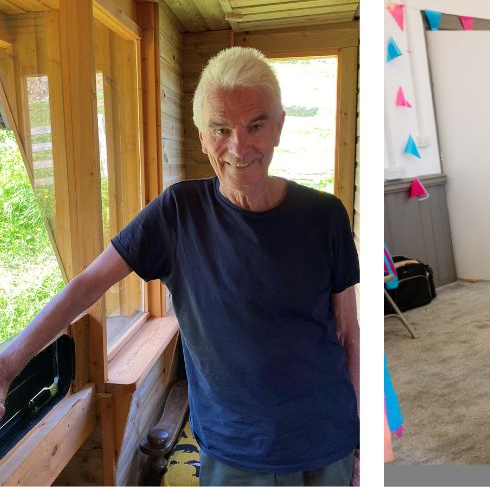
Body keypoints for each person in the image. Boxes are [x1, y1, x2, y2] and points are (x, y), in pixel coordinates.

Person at [0, 47, 361, 482]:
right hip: (234, 452)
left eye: (256, 125)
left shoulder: (324, 215)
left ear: (279, 127)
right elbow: (88, 284)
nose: (239, 146)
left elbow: (348, 333)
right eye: (221, 129)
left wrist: (359, 440)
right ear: (202, 136)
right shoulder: (178, 213)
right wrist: (8, 362)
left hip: (328, 439)